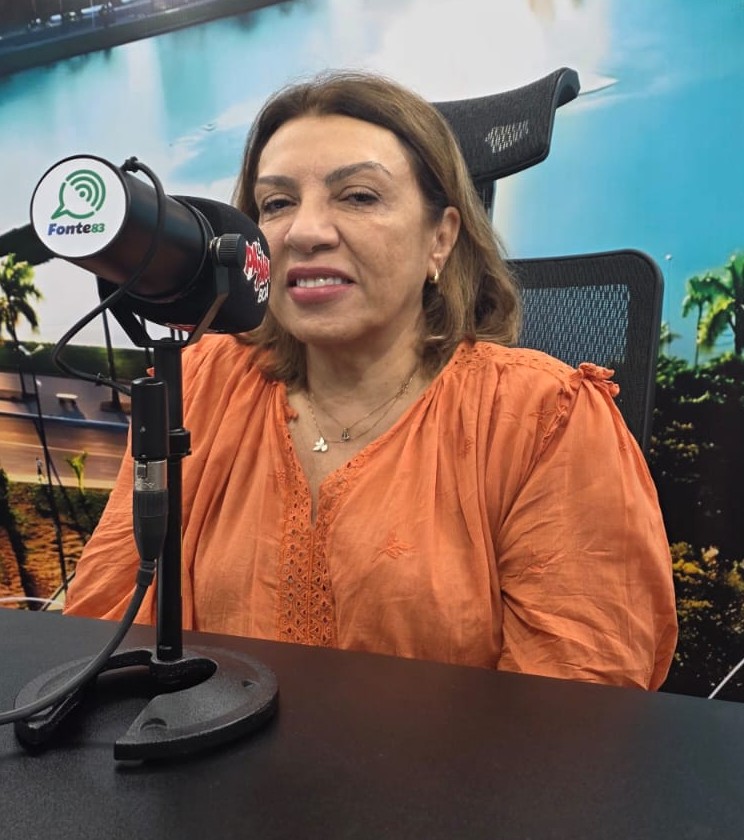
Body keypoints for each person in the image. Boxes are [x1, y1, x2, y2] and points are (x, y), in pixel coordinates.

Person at [64, 70, 677, 689]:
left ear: (440, 239)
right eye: (276, 204)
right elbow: (104, 628)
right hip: (204, 750)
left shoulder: (545, 418)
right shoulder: (199, 383)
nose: (305, 232)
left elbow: (574, 703)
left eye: (357, 196)